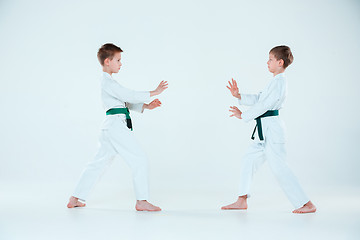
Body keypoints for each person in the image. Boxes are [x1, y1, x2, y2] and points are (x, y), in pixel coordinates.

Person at [67, 43, 168, 211]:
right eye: (118, 60)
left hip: (110, 128)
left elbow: (124, 101)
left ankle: (75, 197)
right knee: (139, 159)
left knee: (98, 163)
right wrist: (153, 92)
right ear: (108, 61)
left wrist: (146, 106)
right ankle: (141, 201)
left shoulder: (109, 83)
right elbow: (127, 94)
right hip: (115, 127)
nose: (121, 64)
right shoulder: (107, 82)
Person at [222, 45, 316, 214]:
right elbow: (260, 98)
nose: (267, 62)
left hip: (272, 131)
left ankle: (306, 203)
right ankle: (241, 200)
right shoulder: (274, 81)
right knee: (248, 160)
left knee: (279, 167)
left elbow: (265, 105)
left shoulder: (280, 82)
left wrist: (243, 116)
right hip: (263, 131)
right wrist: (239, 96)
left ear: (280, 62)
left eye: (271, 59)